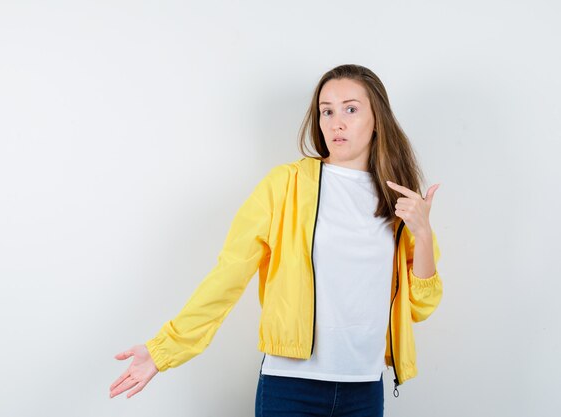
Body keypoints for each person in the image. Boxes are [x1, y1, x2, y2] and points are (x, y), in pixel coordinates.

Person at [109, 64, 443, 417]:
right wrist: (165, 349)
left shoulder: (400, 200)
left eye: (350, 109)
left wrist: (422, 233)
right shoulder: (285, 185)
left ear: (377, 118)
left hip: (365, 389)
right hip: (290, 387)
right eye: (326, 111)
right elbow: (229, 275)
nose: (336, 122)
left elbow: (421, 305)